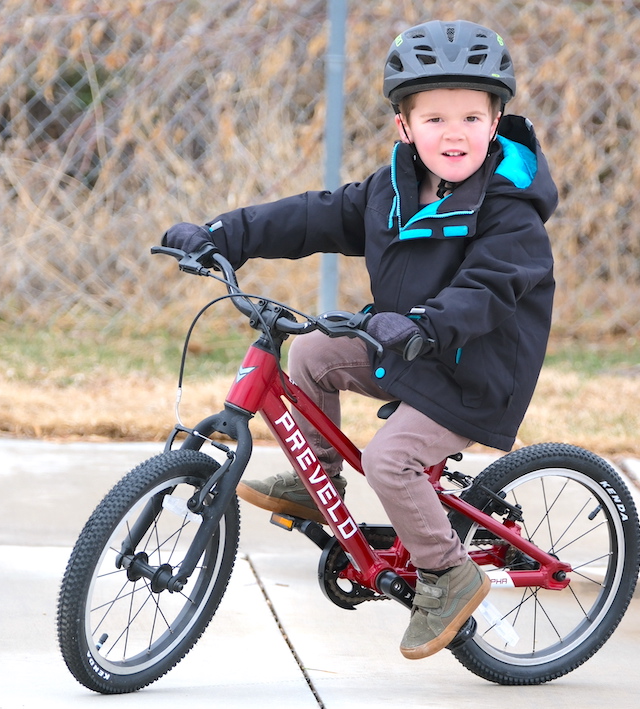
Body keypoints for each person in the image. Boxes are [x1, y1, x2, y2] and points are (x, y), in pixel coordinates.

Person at [162, 19, 558, 660]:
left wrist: (425, 323)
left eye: (470, 118)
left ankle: (449, 573)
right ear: (404, 127)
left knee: (390, 460)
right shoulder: (390, 191)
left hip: (471, 372)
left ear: (496, 121)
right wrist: (221, 234)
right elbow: (312, 215)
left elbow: (486, 289)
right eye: (433, 119)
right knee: (313, 349)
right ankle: (317, 483)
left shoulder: (510, 212)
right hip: (407, 350)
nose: (453, 133)